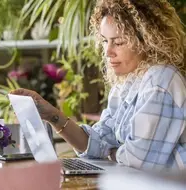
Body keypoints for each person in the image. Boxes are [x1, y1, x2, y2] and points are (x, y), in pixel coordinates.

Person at [10, 0, 186, 170]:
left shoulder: (160, 80)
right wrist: (52, 115)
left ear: (148, 41)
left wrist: (109, 151)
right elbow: (96, 142)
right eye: (104, 41)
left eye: (118, 42)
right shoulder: (125, 85)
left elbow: (138, 161)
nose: (108, 52)